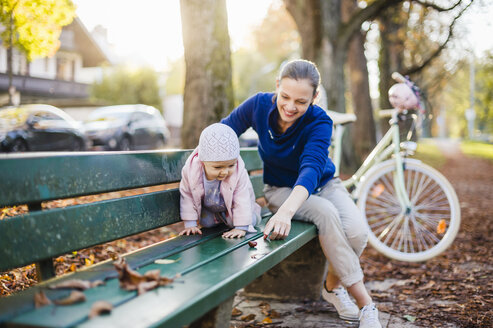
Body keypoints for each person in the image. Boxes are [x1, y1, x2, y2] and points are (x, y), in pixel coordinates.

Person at [221, 59, 382, 328]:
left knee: (357, 232)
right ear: (277, 87)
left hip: (325, 185)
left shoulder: (320, 121)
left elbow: (311, 168)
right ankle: (367, 305)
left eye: (301, 101)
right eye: (284, 97)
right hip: (280, 190)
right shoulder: (259, 105)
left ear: (314, 98)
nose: (290, 106)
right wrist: (202, 160)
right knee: (326, 213)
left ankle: (331, 288)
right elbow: (225, 129)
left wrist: (287, 213)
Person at [179, 123, 261, 239]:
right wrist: (190, 223)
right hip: (211, 209)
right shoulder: (192, 171)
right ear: (203, 162)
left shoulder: (238, 173)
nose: (225, 172)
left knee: (245, 221)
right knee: (207, 224)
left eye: (231, 165)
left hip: (234, 207)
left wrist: (241, 227)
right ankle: (219, 220)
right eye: (218, 167)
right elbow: (187, 195)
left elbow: (242, 198)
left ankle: (251, 217)